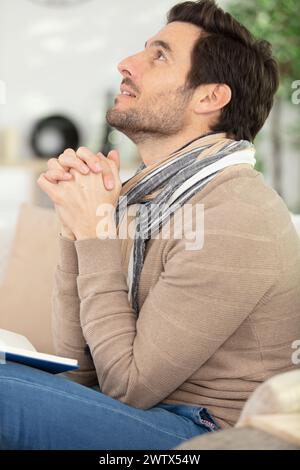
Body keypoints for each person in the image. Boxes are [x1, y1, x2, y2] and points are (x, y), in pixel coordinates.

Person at [1, 0, 300, 450]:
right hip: (148, 413)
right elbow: (79, 368)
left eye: (159, 55)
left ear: (209, 97)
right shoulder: (149, 198)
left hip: (200, 429)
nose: (126, 64)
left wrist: (95, 232)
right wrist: (75, 223)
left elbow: (127, 387)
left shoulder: (237, 214)